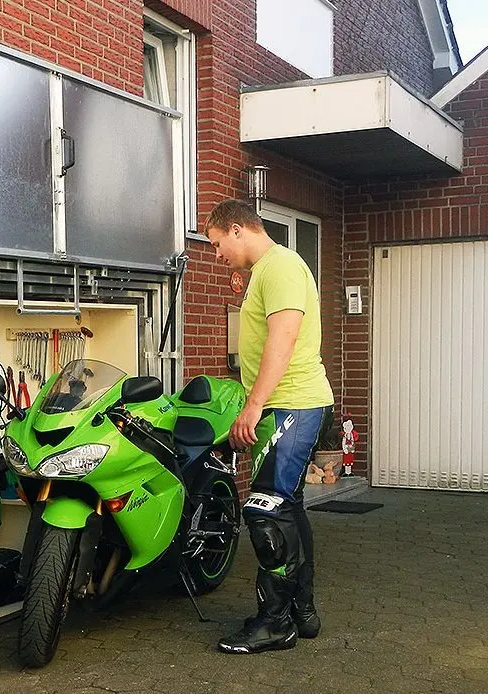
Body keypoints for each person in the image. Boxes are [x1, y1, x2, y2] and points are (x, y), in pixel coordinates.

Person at [204, 199, 334, 655]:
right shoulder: (267, 272)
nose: (217, 254)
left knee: (264, 510)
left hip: (291, 405)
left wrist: (253, 406)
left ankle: (275, 622)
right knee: (287, 507)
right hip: (288, 406)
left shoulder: (280, 267)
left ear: (239, 229)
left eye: (218, 244)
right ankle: (301, 611)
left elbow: (284, 338)